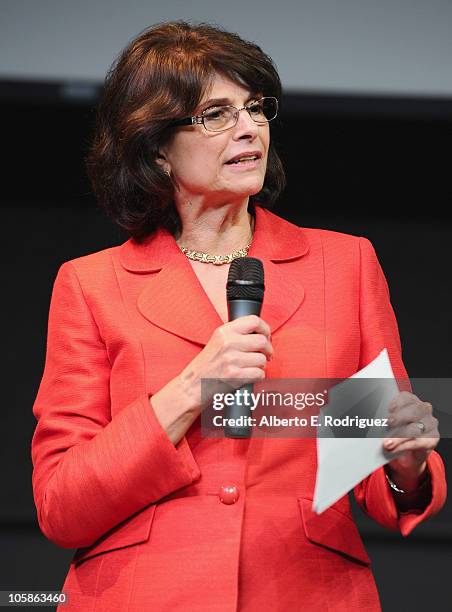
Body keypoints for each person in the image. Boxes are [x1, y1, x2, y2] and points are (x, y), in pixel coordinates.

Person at [31, 21, 446, 611]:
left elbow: (381, 474)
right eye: (216, 115)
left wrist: (405, 461)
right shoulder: (94, 284)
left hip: (306, 592)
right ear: (155, 149)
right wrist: (188, 391)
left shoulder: (342, 265)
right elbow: (61, 505)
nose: (248, 127)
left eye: (255, 108)